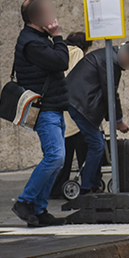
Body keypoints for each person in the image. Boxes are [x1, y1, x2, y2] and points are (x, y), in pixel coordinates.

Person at [11, 0, 70, 228]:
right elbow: (61, 61)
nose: (52, 15)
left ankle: (39, 209)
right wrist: (57, 36)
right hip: (45, 109)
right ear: (37, 18)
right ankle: (25, 201)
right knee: (55, 157)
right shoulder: (33, 43)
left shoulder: (35, 38)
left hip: (53, 106)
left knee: (57, 159)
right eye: (48, 11)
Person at [64, 41, 129, 193]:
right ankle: (87, 186)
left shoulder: (107, 58)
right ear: (127, 57)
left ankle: (93, 182)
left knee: (97, 143)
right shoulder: (109, 62)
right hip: (80, 104)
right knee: (97, 145)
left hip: (78, 102)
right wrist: (118, 121)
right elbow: (111, 93)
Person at [50, 32, 92, 200]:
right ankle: (88, 185)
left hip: (57, 108)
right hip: (74, 111)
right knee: (84, 151)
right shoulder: (76, 53)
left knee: (64, 154)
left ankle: (55, 188)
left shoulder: (56, 51)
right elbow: (77, 79)